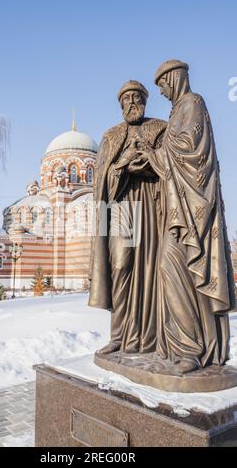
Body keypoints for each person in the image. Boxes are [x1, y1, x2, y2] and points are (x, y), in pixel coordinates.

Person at [138, 60, 235, 374]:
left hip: (192, 213)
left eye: (163, 86)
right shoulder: (177, 109)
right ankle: (183, 347)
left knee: (174, 268)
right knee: (174, 273)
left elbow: (189, 151)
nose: (163, 93)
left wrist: (153, 153)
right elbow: (170, 161)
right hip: (176, 209)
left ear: (173, 78)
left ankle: (191, 350)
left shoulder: (192, 103)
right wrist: (150, 156)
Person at [89, 80, 166, 354]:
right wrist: (124, 164)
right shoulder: (111, 136)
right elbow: (102, 182)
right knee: (121, 267)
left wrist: (148, 162)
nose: (132, 102)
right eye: (127, 98)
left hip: (152, 207)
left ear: (145, 101)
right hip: (122, 210)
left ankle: (151, 338)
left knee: (151, 270)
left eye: (137, 97)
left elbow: (171, 167)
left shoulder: (159, 129)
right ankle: (120, 336)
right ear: (120, 104)